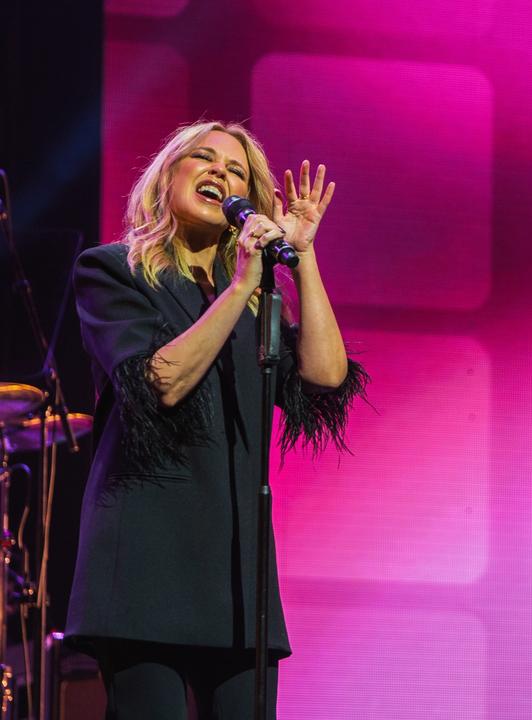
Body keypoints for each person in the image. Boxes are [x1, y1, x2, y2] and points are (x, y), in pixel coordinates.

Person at [67, 120, 367, 718]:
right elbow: (163, 384)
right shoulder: (113, 271)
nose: (219, 175)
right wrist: (239, 287)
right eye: (202, 159)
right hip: (145, 562)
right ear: (166, 177)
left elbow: (326, 376)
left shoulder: (260, 301)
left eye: (235, 171)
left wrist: (301, 260)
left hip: (236, 570)